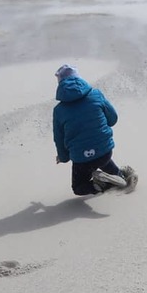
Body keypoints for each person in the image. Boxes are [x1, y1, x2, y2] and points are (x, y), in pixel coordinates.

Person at [52, 64, 136, 195]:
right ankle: (119, 177)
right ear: (79, 79)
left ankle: (101, 185)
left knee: (78, 188)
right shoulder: (96, 95)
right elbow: (113, 119)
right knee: (102, 158)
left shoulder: (59, 111)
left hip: (82, 159)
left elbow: (59, 138)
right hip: (105, 151)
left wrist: (63, 157)